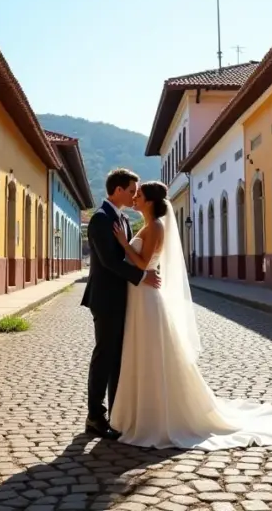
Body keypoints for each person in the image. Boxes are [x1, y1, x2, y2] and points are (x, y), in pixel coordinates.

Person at [110, 180, 272, 450]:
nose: (135, 198)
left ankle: (157, 415)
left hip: (147, 298)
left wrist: (124, 245)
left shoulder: (156, 226)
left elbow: (145, 265)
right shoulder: (148, 226)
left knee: (152, 353)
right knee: (143, 352)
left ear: (149, 201)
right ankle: (142, 410)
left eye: (139, 195)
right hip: (140, 296)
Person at [81, 168, 160, 440]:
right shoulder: (100, 219)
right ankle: (94, 416)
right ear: (117, 190)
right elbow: (109, 262)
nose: (134, 195)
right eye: (130, 191)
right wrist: (142, 276)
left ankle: (116, 413)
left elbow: (128, 255)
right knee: (104, 356)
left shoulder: (123, 219)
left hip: (126, 299)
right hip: (105, 298)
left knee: (119, 358)